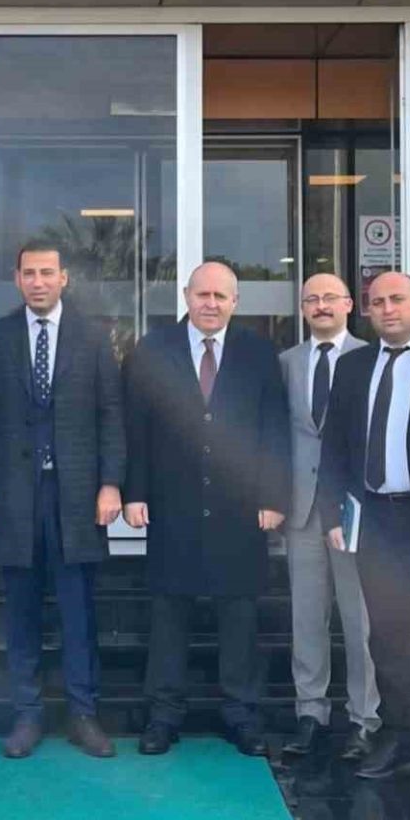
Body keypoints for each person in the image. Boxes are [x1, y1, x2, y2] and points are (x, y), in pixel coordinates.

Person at [125, 261, 291, 757]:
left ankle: (241, 715)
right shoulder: (153, 350)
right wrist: (134, 493)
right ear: (186, 296)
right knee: (168, 615)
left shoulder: (258, 353)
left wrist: (273, 496)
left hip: (240, 507)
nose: (211, 304)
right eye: (203, 294)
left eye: (221, 296)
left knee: (239, 616)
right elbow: (136, 427)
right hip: (171, 504)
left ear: (235, 301)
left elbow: (274, 428)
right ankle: (163, 716)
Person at [316, 272, 410, 792]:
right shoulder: (354, 366)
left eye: (397, 299)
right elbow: (334, 447)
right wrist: (332, 514)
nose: (387, 309)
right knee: (386, 638)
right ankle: (397, 736)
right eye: (377, 302)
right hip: (376, 523)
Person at [0, 243, 125, 760]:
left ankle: (83, 714)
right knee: (22, 613)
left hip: (77, 498)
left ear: (64, 278)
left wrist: (111, 483)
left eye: (47, 273)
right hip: (14, 499)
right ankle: (27, 715)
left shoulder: (93, 336)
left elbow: (110, 414)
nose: (38, 281)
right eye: (29, 273)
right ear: (17, 279)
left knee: (79, 612)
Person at [277, 273, 381, 762]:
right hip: (302, 509)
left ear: (349, 305)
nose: (321, 306)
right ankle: (310, 713)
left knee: (359, 620)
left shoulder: (372, 358)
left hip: (353, 511)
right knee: (306, 617)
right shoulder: (286, 363)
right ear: (302, 308)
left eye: (330, 298)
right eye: (312, 299)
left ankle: (365, 719)